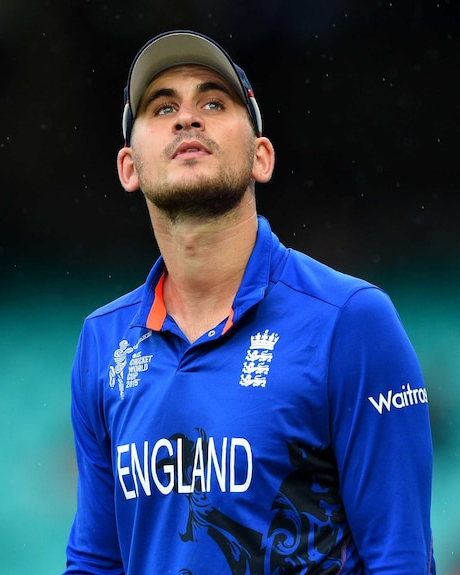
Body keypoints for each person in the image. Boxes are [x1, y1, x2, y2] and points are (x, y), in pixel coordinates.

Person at [64, 30, 435, 574]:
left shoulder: (350, 321)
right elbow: (96, 562)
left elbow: (399, 559)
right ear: (129, 168)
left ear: (261, 156)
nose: (187, 118)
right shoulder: (102, 343)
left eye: (213, 102)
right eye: (162, 107)